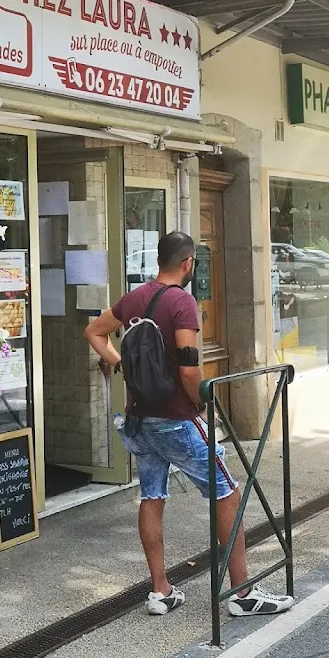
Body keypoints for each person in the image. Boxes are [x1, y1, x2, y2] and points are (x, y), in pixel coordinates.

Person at [84, 231, 293, 618]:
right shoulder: (182, 302)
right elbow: (188, 368)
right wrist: (203, 404)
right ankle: (243, 593)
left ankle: (160, 591)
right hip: (177, 419)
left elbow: (94, 331)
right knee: (227, 494)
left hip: (139, 419)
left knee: (152, 495)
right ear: (187, 264)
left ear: (158, 260)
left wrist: (121, 364)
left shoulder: (134, 298)